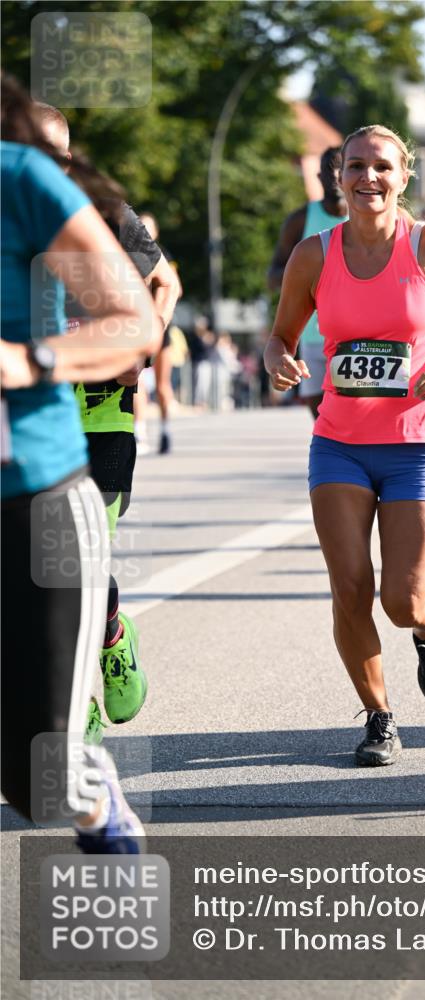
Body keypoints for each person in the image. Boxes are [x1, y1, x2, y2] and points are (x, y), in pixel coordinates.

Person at [264, 125, 425, 766]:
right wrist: (277, 359)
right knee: (349, 587)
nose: (369, 178)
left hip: (416, 446)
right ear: (338, 176)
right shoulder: (313, 254)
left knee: (402, 600)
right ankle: (379, 717)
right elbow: (279, 335)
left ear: (404, 176)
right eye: (355, 166)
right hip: (338, 443)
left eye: (382, 168)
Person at [1, 75, 162, 851]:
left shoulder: (27, 182)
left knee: (43, 779)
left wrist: (29, 360)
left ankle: (104, 815)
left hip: (40, 474)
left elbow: (139, 312)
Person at [35, 103, 181, 738]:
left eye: (56, 156)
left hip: (100, 417)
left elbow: (165, 285)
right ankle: (76, 705)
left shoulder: (102, 214)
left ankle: (110, 640)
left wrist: (141, 349)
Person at [268, 147, 348, 419]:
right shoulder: (300, 220)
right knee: (323, 420)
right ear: (318, 176)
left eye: (342, 168)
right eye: (328, 170)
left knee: (355, 418)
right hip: (313, 337)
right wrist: (309, 273)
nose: (335, 176)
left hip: (355, 335)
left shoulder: (366, 219)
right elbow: (273, 276)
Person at [138, 211, 183, 453]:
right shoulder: (127, 252)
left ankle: (165, 430)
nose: (144, 230)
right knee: (138, 382)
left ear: (155, 231)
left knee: (162, 383)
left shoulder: (163, 255)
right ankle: (139, 433)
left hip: (161, 326)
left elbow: (176, 288)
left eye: (148, 227)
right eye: (140, 226)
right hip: (137, 325)